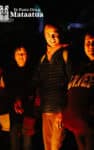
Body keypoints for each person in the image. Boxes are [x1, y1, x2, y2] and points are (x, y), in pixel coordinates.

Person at [31, 21, 73, 150]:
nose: (53, 38)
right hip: (46, 110)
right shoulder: (43, 58)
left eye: (56, 34)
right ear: (45, 36)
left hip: (59, 110)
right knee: (47, 147)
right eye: (50, 35)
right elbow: (37, 81)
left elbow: (72, 83)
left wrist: (63, 111)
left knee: (56, 146)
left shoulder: (65, 54)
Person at [63, 27, 94, 150]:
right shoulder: (81, 67)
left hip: (90, 127)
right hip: (76, 128)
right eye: (88, 42)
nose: (91, 46)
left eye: (93, 42)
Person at [2, 45, 36, 150]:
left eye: (23, 53)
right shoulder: (8, 73)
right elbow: (6, 91)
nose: (21, 56)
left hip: (29, 113)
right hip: (13, 114)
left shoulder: (33, 72)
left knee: (28, 144)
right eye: (18, 53)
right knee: (14, 142)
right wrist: (15, 102)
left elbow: (34, 91)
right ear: (14, 56)